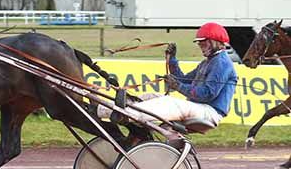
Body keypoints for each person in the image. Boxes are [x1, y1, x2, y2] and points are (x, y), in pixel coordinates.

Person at [98, 22, 238, 127]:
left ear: (216, 42)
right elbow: (183, 79)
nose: (200, 46)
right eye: (199, 44)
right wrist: (172, 59)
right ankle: (101, 109)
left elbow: (207, 94)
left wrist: (177, 86)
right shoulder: (207, 62)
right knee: (151, 96)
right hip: (198, 108)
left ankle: (125, 114)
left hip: (210, 112)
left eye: (203, 43)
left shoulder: (222, 63)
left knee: (168, 102)